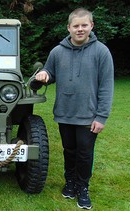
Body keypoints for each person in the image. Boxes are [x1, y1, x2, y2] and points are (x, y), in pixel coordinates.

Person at [34, 8, 114, 209]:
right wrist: (43, 74)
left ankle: (83, 187)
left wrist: (101, 117)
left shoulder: (101, 52)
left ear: (91, 26)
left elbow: (106, 86)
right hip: (64, 113)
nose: (80, 29)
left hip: (88, 115)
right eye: (76, 26)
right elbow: (48, 73)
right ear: (69, 27)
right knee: (69, 151)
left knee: (85, 153)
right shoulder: (57, 52)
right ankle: (70, 182)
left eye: (84, 25)